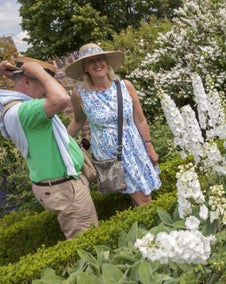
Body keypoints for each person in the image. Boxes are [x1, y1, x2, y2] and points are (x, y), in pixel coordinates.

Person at [0, 57, 99, 239]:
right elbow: (61, 99)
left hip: (60, 186)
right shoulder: (25, 111)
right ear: (28, 80)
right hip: (65, 188)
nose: (47, 89)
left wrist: (20, 76)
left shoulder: (19, 107)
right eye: (44, 82)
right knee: (89, 243)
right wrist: (38, 71)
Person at [65, 43, 161, 206]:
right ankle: (152, 226)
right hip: (110, 155)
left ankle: (148, 227)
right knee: (142, 197)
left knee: (143, 195)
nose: (97, 63)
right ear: (85, 68)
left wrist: (149, 146)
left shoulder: (125, 86)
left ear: (107, 62)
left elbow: (140, 119)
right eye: (91, 61)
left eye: (100, 58)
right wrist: (60, 141)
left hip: (135, 149)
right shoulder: (80, 94)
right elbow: (78, 121)